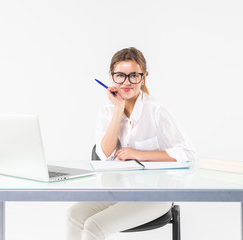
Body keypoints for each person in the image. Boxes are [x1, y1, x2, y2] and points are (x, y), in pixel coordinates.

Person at [65, 47, 196, 240]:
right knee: (73, 215)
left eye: (133, 76)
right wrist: (118, 109)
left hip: (156, 195)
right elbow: (103, 155)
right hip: (118, 192)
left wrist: (140, 154)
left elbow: (188, 154)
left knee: (94, 226)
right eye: (120, 76)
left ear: (143, 78)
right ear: (112, 77)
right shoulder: (107, 110)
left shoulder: (156, 111)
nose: (126, 82)